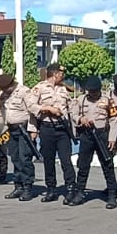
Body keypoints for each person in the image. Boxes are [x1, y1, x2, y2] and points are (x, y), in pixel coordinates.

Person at [28, 64, 76, 203]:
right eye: (62, 73)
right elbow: (31, 106)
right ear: (55, 74)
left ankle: (71, 188)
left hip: (63, 129)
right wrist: (47, 108)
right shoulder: (39, 88)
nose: (63, 75)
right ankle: (51, 189)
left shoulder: (63, 89)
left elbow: (70, 108)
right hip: (47, 128)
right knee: (48, 160)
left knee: (66, 160)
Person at [69, 76, 117, 207]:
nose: (93, 94)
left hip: (102, 134)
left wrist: (112, 138)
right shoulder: (81, 99)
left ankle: (112, 195)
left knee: (107, 165)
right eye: (91, 91)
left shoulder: (108, 100)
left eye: (95, 91)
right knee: (83, 165)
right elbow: (73, 115)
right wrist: (80, 119)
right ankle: (80, 193)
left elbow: (114, 120)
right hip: (87, 135)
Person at [0, 73, 37, 201]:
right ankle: (18, 185)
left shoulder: (25, 92)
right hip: (11, 129)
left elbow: (32, 112)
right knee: (15, 158)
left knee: (25, 158)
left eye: (5, 88)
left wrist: (33, 129)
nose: (3, 91)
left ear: (11, 85)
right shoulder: (5, 95)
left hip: (24, 128)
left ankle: (27, 187)